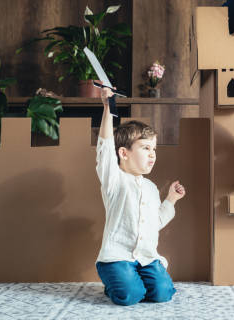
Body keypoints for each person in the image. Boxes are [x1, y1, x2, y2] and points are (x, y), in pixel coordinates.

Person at [95, 84, 186, 306]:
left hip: (145, 257)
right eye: (145, 148)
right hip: (117, 257)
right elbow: (105, 149)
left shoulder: (151, 188)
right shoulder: (114, 179)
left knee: (163, 294)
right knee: (130, 296)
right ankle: (115, 283)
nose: (152, 154)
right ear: (124, 153)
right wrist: (108, 108)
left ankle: (141, 276)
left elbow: (154, 223)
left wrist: (171, 200)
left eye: (154, 149)